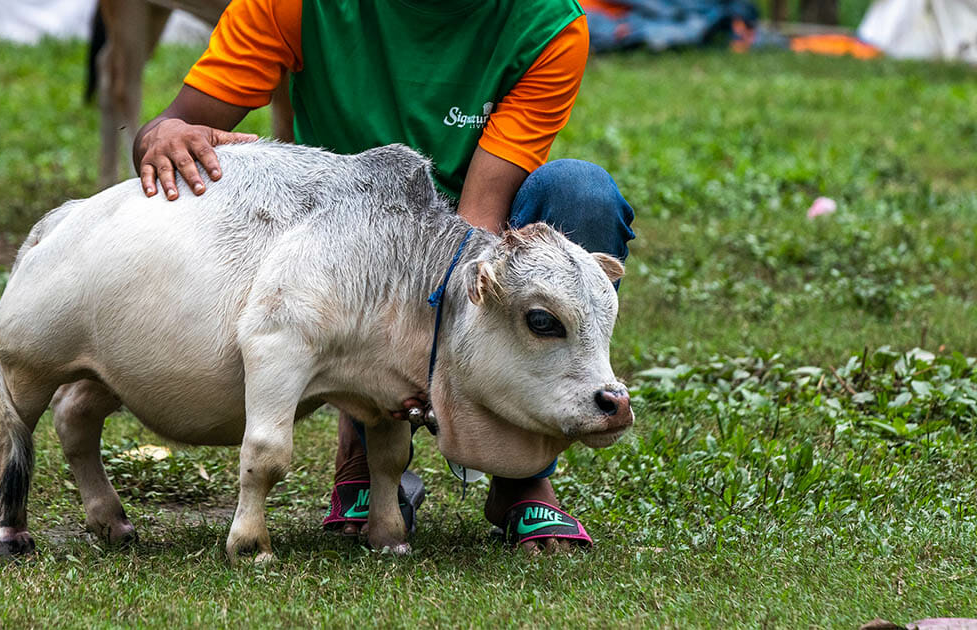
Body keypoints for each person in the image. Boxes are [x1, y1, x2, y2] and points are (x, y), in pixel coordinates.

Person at [132, 0, 635, 553]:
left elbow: (471, 234)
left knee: (582, 195)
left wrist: (424, 350)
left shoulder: (545, 23)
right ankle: (361, 440)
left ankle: (521, 477)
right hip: (347, 242)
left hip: (472, 239)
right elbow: (172, 125)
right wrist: (164, 136)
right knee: (367, 263)